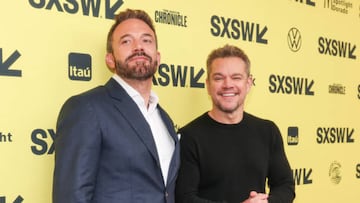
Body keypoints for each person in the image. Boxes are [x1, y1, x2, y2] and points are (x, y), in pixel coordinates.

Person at [53, 9, 180, 203]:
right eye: (126, 41)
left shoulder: (164, 119)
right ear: (110, 59)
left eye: (147, 40)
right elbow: (71, 197)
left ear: (158, 57)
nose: (139, 47)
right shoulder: (86, 108)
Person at [175, 44, 295, 203]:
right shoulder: (189, 136)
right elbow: (185, 198)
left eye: (236, 77)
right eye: (218, 78)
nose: (227, 85)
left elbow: (285, 185)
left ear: (248, 83)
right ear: (208, 85)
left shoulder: (267, 131)